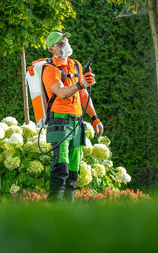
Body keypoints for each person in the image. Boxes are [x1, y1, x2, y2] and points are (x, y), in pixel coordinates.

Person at [43, 31, 104, 201]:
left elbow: (83, 94)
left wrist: (95, 117)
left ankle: (68, 207)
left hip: (78, 122)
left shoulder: (76, 65)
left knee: (74, 169)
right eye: (60, 43)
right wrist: (79, 84)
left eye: (66, 40)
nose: (65, 44)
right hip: (59, 121)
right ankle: (54, 207)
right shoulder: (50, 69)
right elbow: (61, 93)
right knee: (61, 165)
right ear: (51, 49)